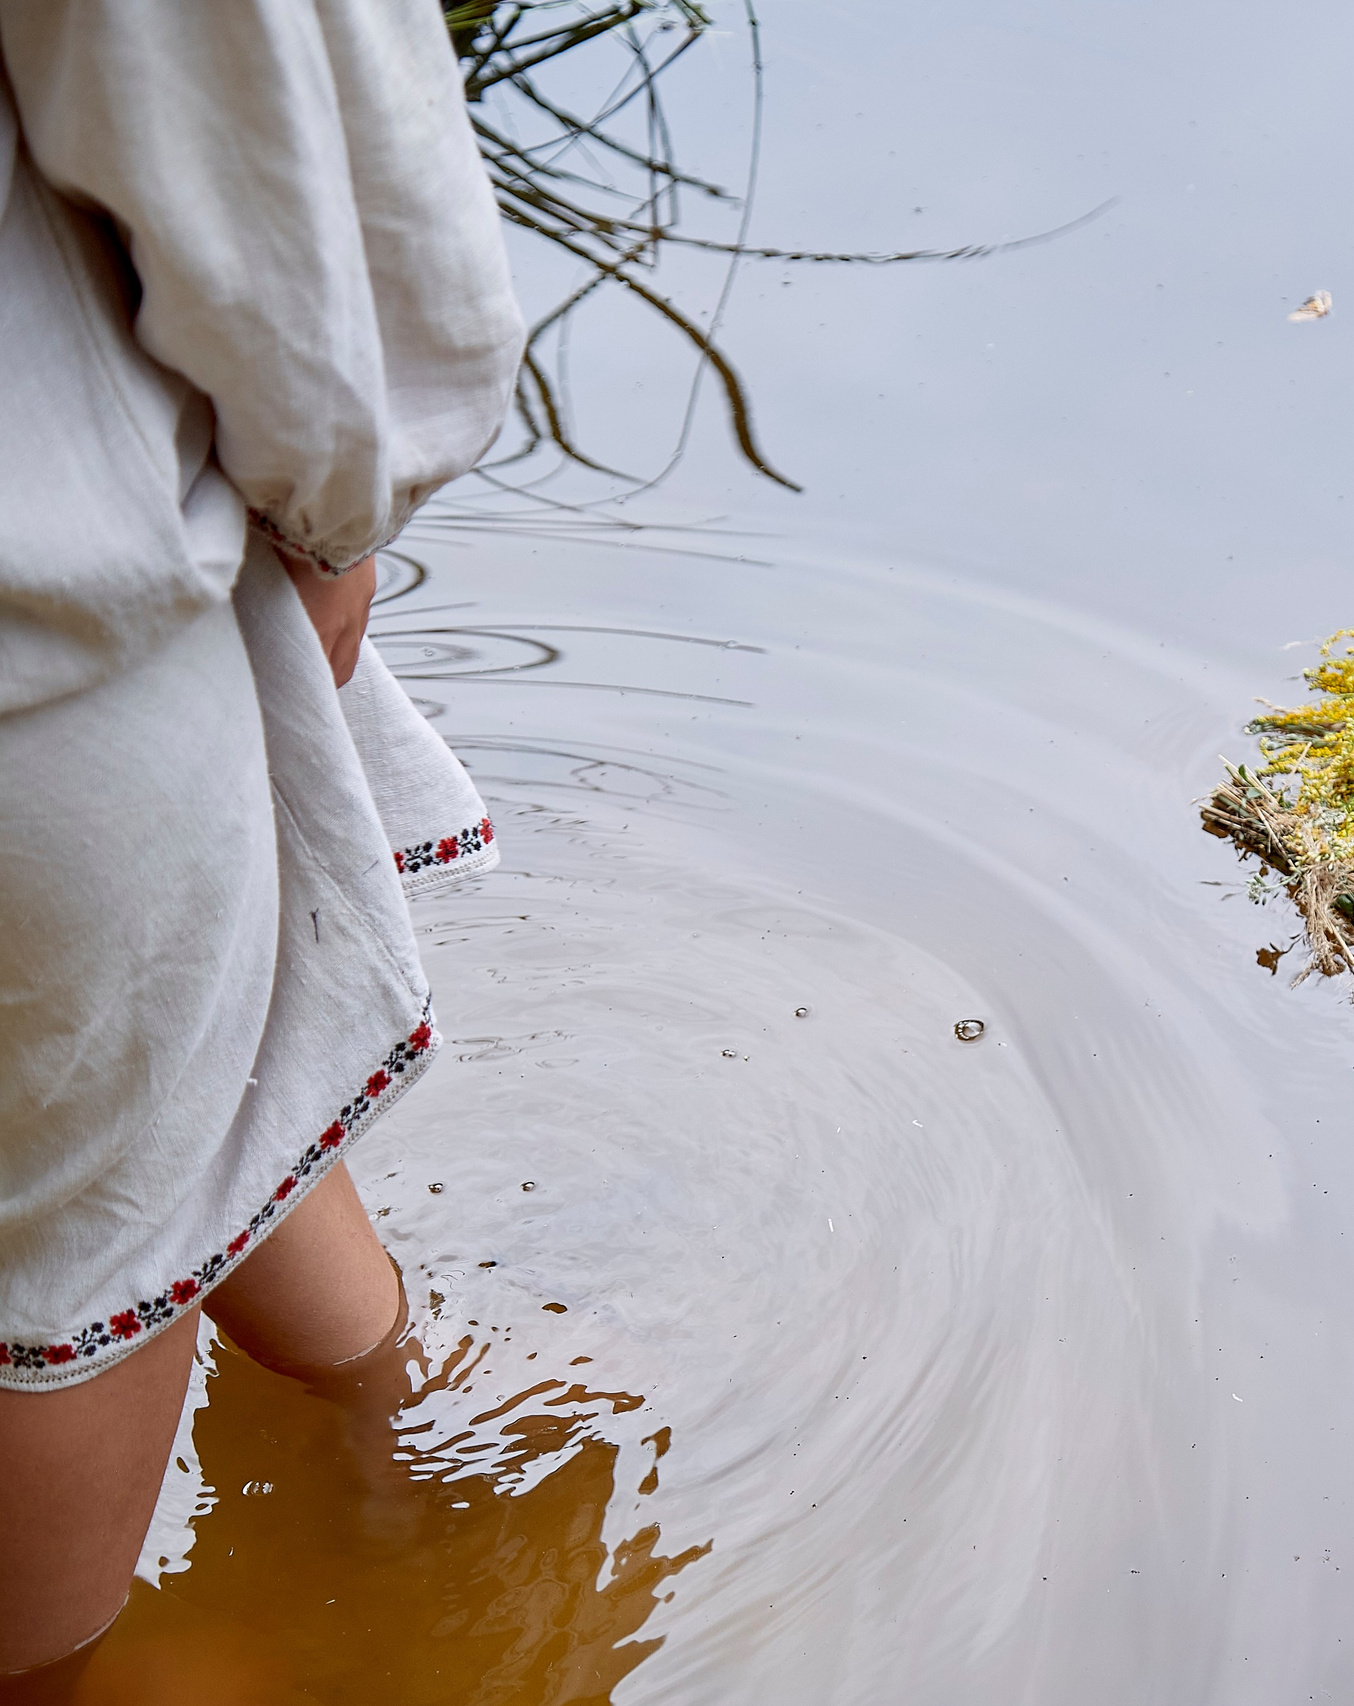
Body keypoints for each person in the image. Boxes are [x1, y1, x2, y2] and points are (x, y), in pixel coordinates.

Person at [0, 0, 524, 1690]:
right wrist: (335, 502)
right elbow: (239, 104)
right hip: (41, 635)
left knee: (183, 1082)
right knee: (75, 1239)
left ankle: (391, 1424)